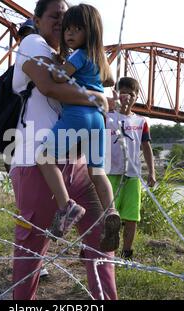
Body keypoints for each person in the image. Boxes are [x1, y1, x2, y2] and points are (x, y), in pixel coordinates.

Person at [10, 0, 117, 300]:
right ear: (37, 19)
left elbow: (103, 81)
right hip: (36, 161)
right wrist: (98, 99)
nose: (61, 24)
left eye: (68, 19)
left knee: (100, 241)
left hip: (75, 159)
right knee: (32, 249)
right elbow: (50, 87)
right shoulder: (32, 43)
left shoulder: (72, 56)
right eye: (55, 17)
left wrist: (98, 94)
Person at [35, 4, 120, 252]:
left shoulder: (78, 55)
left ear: (89, 32)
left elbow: (60, 77)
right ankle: (111, 212)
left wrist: (54, 64)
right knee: (97, 172)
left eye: (77, 29)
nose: (70, 34)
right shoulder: (98, 57)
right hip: (98, 119)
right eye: (68, 29)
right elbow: (110, 80)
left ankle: (66, 206)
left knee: (44, 156)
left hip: (78, 115)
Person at [106, 77, 156, 259]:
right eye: (123, 93)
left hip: (133, 175)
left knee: (131, 216)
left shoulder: (141, 121)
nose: (127, 97)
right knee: (106, 215)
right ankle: (95, 248)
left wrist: (152, 172)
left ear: (136, 97)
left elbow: (146, 147)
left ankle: (126, 253)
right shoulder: (108, 117)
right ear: (117, 95)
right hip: (110, 173)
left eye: (131, 94)